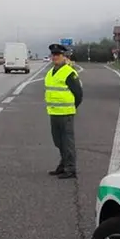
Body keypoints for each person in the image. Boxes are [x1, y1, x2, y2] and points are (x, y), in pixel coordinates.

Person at [45, 44, 83, 179]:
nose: (55, 57)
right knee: (58, 141)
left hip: (65, 113)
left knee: (67, 142)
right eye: (53, 55)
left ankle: (71, 168)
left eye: (58, 55)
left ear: (63, 56)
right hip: (54, 112)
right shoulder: (51, 72)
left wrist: (71, 108)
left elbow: (78, 94)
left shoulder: (69, 72)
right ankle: (63, 164)